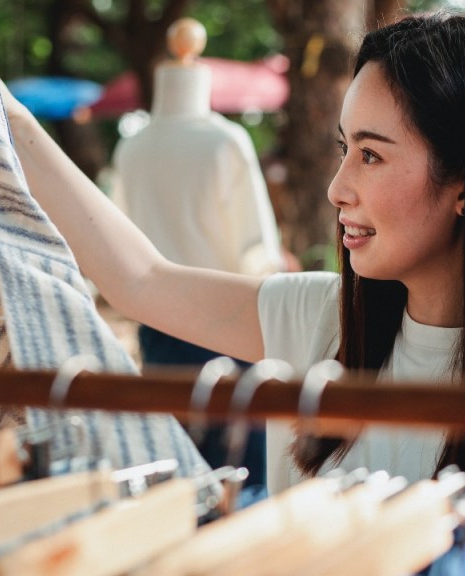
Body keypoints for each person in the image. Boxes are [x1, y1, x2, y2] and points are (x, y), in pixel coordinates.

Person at [0, 12, 465, 575]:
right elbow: (141, 279)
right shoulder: (323, 317)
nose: (337, 188)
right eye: (344, 149)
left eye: (371, 157)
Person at [110, 18, 284, 497]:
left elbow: (117, 243)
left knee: (176, 476)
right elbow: (257, 254)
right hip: (226, 325)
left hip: (158, 331)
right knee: (241, 480)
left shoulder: (131, 148)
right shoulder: (226, 143)